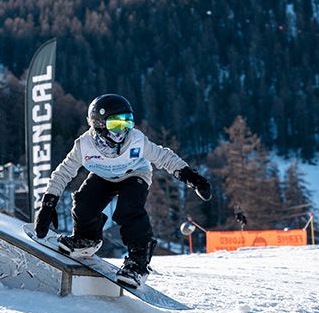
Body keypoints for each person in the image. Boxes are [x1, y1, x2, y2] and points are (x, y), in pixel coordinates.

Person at [33, 93, 211, 288]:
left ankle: (138, 262)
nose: (123, 130)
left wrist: (192, 177)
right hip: (102, 176)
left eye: (127, 122)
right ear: (99, 124)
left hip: (134, 174)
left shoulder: (136, 140)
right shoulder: (84, 146)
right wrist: (49, 203)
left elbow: (163, 157)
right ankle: (87, 239)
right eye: (116, 124)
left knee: (128, 210)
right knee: (84, 203)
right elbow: (63, 173)